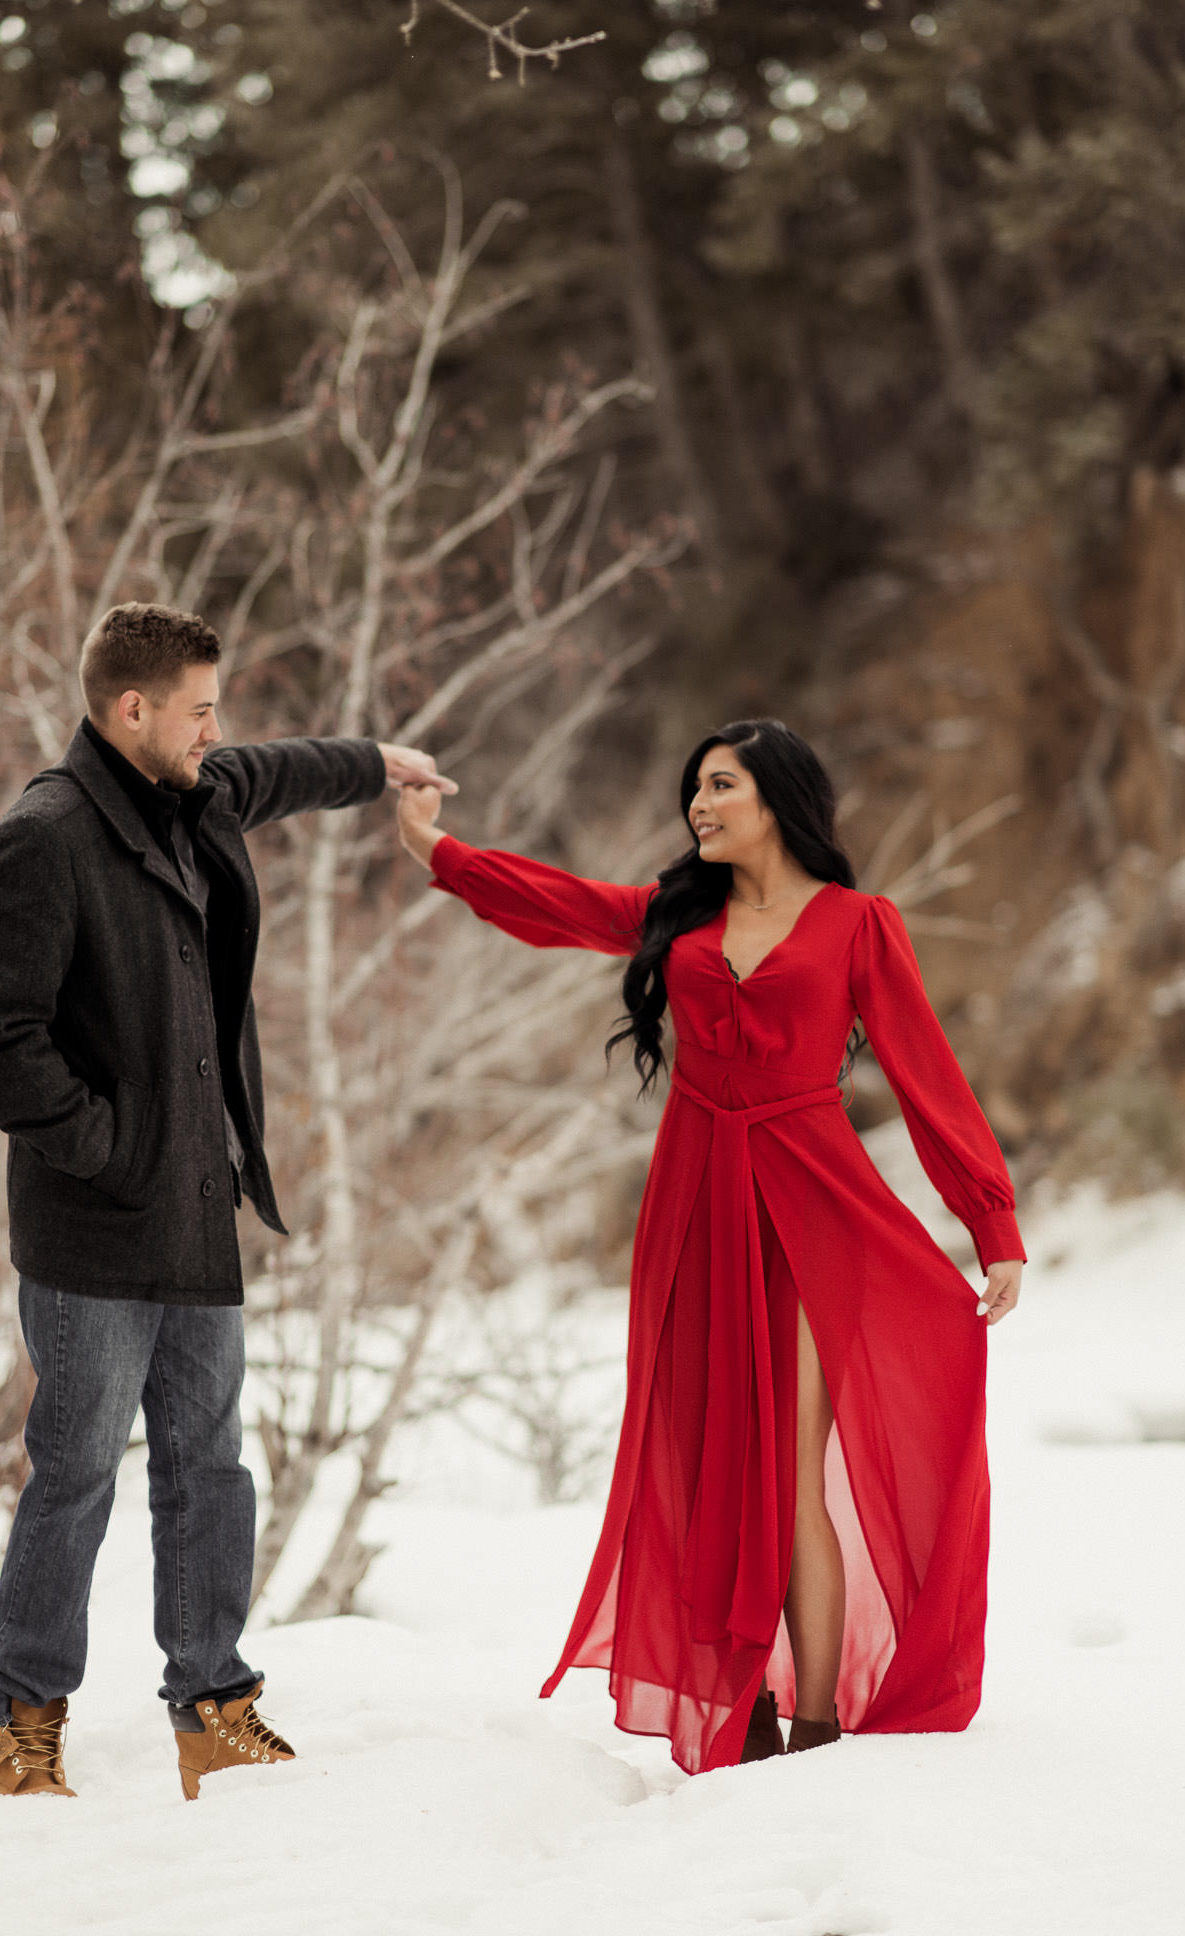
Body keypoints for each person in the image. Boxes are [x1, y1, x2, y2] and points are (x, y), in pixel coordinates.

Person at [397, 718, 1023, 1775]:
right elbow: (555, 907)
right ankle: (747, 1703)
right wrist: (436, 851)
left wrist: (988, 1220)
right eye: (694, 786)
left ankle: (813, 1724)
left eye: (720, 784)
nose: (698, 803)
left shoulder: (857, 923)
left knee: (789, 1468)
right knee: (712, 1465)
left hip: (812, 1207)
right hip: (695, 1207)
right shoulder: (676, 917)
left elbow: (926, 1071)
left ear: (776, 798)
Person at [0, 601, 455, 1801]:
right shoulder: (48, 834)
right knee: (75, 1472)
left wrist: (375, 764)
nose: (215, 732)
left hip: (195, 1215)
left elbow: (275, 771)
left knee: (210, 1466)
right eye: (199, 711)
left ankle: (211, 1703)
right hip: (93, 1224)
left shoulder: (195, 794)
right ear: (132, 710)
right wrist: (109, 1148)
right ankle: (22, 1722)